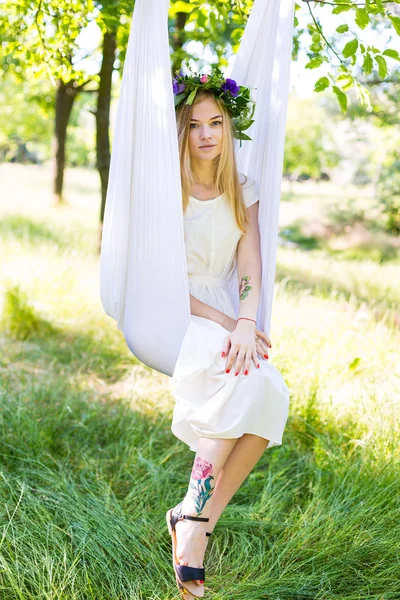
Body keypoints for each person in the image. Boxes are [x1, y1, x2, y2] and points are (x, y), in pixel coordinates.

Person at [166, 68, 290, 599]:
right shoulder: (166, 187)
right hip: (174, 309)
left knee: (271, 391)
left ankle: (195, 519)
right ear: (181, 129)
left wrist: (246, 320)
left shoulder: (242, 187)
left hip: (224, 309)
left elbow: (249, 259)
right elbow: (161, 280)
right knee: (243, 379)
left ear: (228, 127)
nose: (207, 134)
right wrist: (225, 324)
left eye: (216, 122)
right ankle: (194, 518)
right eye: (195, 125)